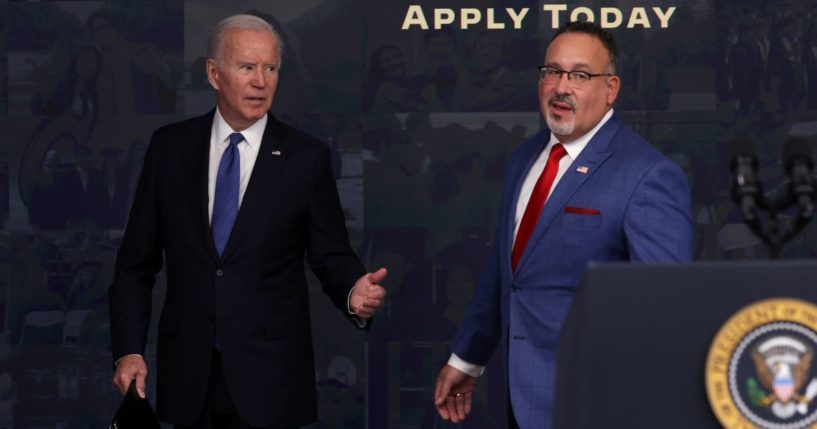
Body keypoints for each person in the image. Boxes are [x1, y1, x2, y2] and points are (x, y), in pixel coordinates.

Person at [109, 14, 387, 429]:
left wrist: (353, 292)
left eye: (270, 68)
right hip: (189, 377)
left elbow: (330, 254)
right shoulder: (169, 149)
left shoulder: (306, 157)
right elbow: (135, 265)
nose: (261, 81)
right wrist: (128, 350)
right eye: (247, 67)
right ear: (213, 73)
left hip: (271, 379)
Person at [432, 21, 692, 429]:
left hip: (597, 407)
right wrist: (467, 358)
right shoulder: (523, 159)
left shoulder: (648, 175)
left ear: (611, 90)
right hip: (517, 401)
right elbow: (506, 276)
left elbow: (665, 308)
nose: (561, 86)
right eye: (552, 72)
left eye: (580, 75)